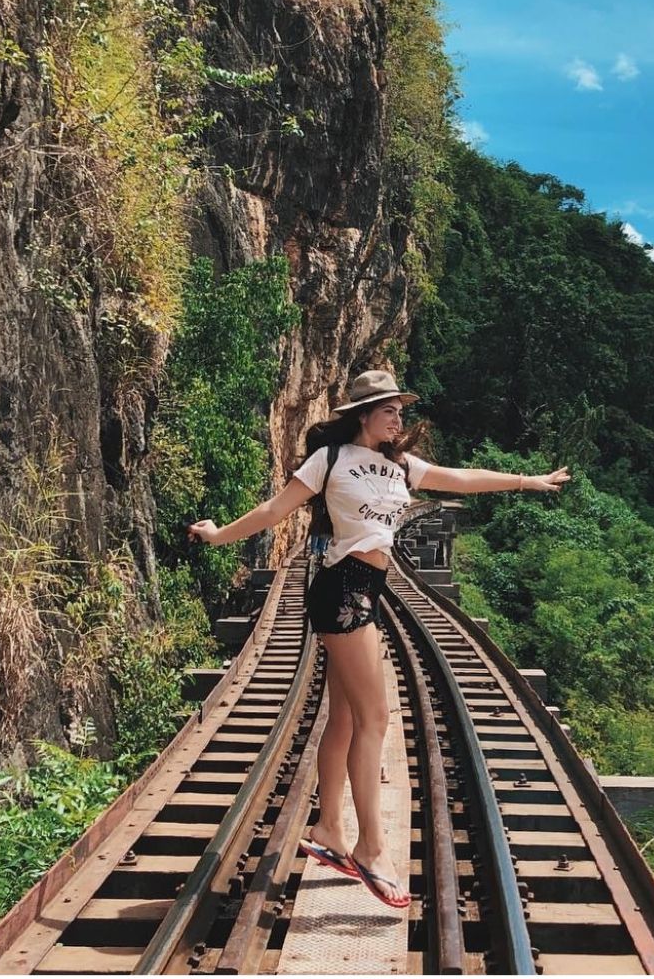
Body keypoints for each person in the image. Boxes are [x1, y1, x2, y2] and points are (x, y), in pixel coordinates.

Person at [187, 369, 570, 909]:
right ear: (362, 415)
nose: (398, 418)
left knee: (345, 719)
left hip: (367, 588)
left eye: (400, 410)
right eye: (389, 409)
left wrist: (526, 482)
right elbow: (274, 512)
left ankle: (329, 830)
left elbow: (460, 478)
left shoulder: (400, 466)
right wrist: (218, 534)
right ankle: (370, 847)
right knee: (376, 719)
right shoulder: (332, 460)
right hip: (340, 589)